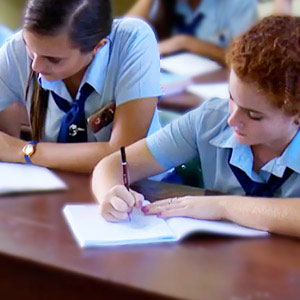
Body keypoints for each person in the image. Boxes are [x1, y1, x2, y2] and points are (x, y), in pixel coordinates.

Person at [92, 16, 300, 238]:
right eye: (231, 98)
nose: (232, 120)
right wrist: (109, 194)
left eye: (254, 115)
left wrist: (222, 206)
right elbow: (113, 165)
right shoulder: (211, 120)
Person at [0, 0, 162, 173]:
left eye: (53, 59)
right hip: (55, 184)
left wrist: (22, 150)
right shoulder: (16, 48)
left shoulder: (132, 39)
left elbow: (123, 156)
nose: (36, 66)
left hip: (140, 189)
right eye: (29, 48)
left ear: (98, 47)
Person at [127, 0, 258, 65]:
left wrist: (185, 42)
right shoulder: (166, 3)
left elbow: (244, 61)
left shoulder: (238, 3)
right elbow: (126, 36)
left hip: (216, 87)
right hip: (174, 83)